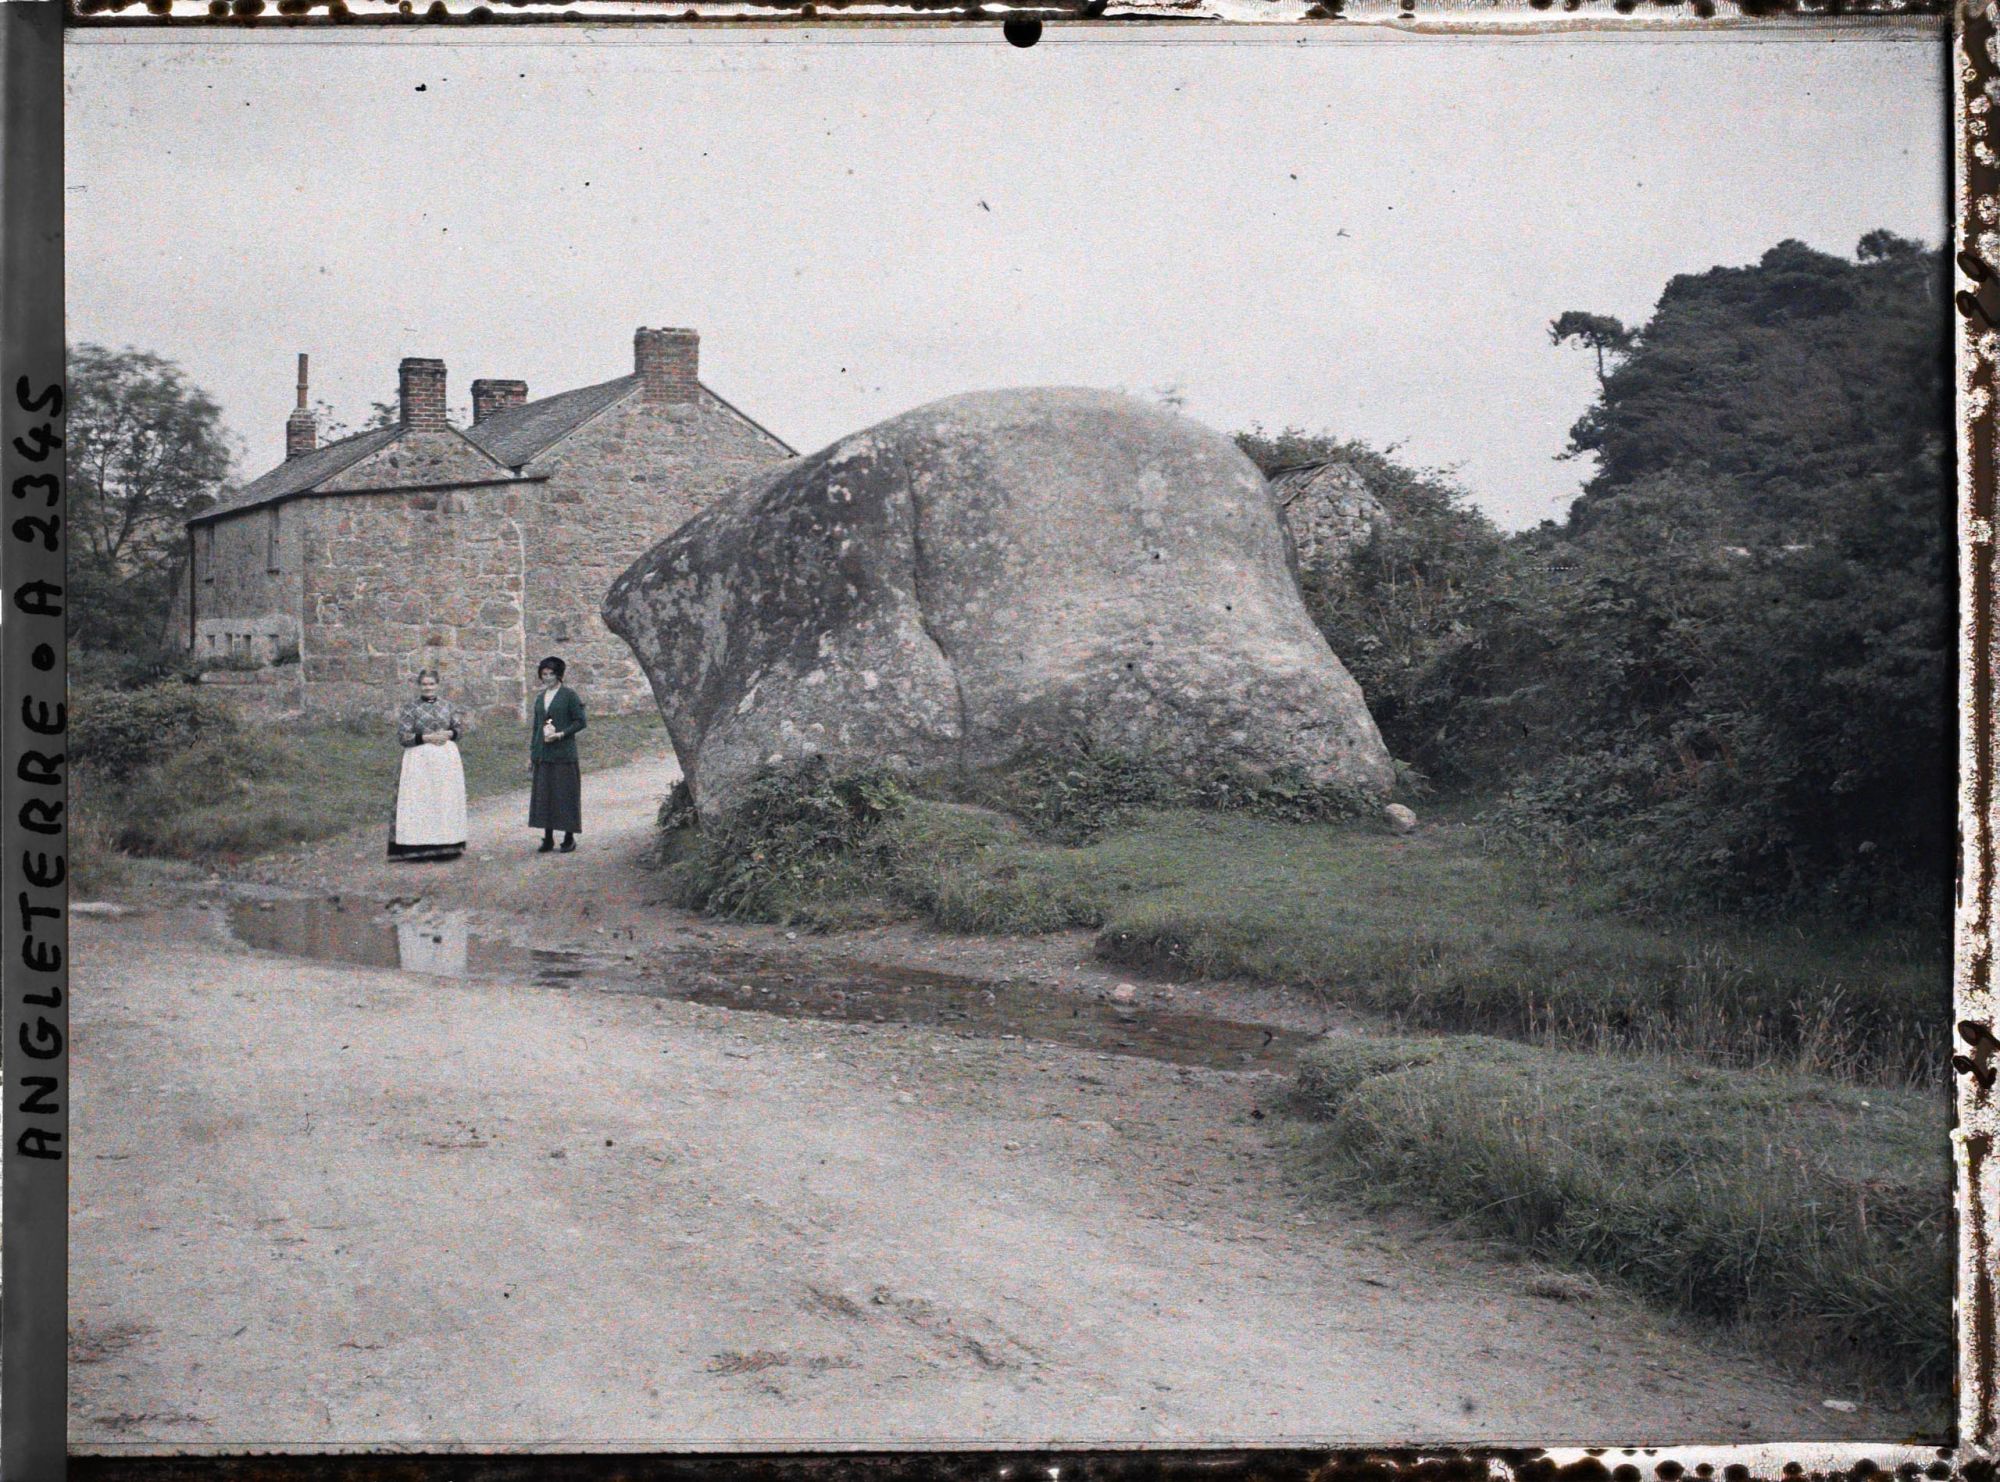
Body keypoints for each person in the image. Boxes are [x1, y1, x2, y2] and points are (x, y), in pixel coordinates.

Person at [388, 669, 468, 862]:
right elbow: (403, 736)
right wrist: (428, 737)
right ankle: (417, 846)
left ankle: (446, 845)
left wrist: (449, 734)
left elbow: (459, 729)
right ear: (419, 686)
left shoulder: (448, 706)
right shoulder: (410, 708)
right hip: (419, 759)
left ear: (437, 685)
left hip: (445, 759)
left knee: (443, 798)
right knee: (420, 800)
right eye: (424, 684)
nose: (428, 688)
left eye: (431, 684)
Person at [529, 655, 586, 853]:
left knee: (565, 794)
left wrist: (561, 734)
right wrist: (533, 753)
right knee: (545, 796)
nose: (547, 678)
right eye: (544, 674)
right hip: (544, 755)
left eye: (551, 674)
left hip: (564, 754)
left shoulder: (569, 695)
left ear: (559, 675)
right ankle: (548, 837)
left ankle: (569, 837)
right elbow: (537, 727)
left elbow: (580, 721)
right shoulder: (540, 698)